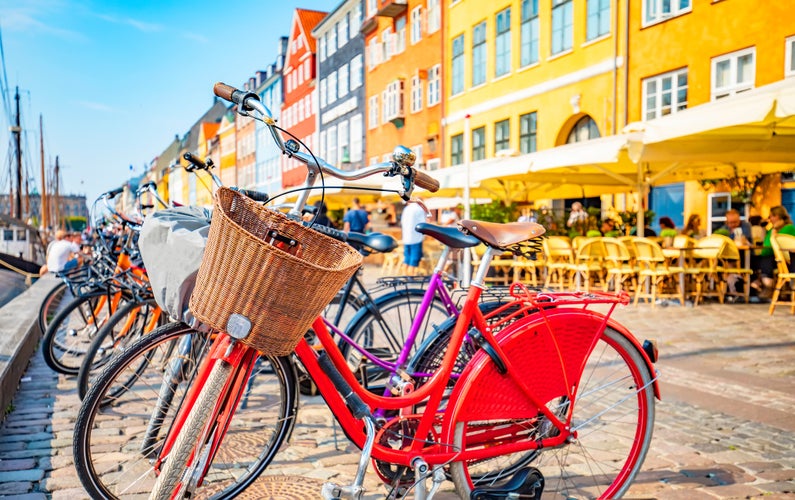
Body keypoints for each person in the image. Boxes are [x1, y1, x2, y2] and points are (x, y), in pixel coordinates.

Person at [754, 205, 795, 297]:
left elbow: (770, 247)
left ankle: (767, 284)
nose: (770, 219)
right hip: (778, 259)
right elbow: (766, 247)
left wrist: (774, 231)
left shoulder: (788, 228)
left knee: (765, 259)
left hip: (788, 261)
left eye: (771, 216)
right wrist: (765, 229)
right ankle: (762, 283)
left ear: (777, 216)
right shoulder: (773, 229)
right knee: (757, 259)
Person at [400, 198, 429, 275]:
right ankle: (411, 274)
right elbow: (423, 224)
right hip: (416, 237)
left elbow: (402, 222)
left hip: (406, 237)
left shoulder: (406, 209)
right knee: (414, 257)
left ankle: (404, 274)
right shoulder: (419, 209)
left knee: (407, 257)